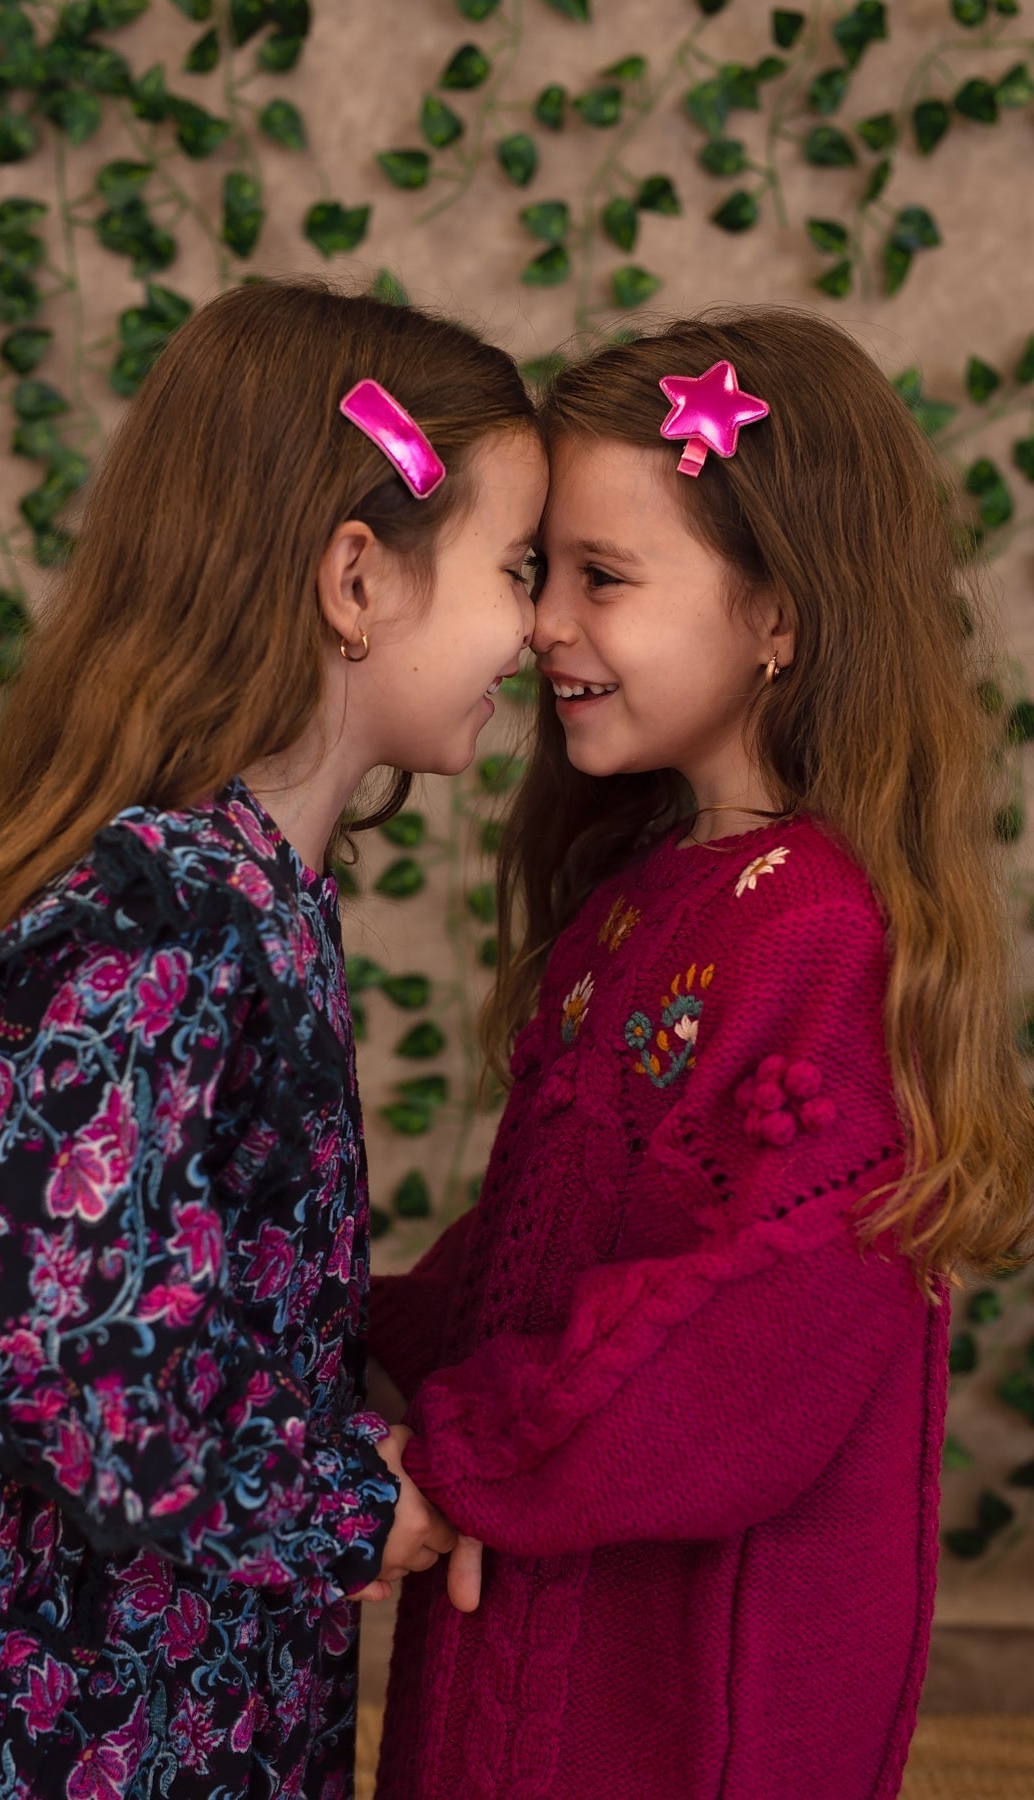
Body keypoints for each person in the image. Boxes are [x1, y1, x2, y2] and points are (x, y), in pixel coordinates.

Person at [0, 279, 546, 1799]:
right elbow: (42, 1344)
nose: (538, 628)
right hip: (63, 1726)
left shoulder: (241, 896)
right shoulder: (176, 919)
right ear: (357, 578)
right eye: (517, 567)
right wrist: (345, 1506)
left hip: (149, 1686)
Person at [369, 308, 1034, 1800]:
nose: (545, 624)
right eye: (540, 572)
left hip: (674, 1702)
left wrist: (461, 1454)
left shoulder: (821, 937)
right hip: (542, 1616)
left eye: (601, 578)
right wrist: (370, 1340)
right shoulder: (650, 897)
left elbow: (748, 1344)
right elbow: (557, 1245)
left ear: (777, 614)